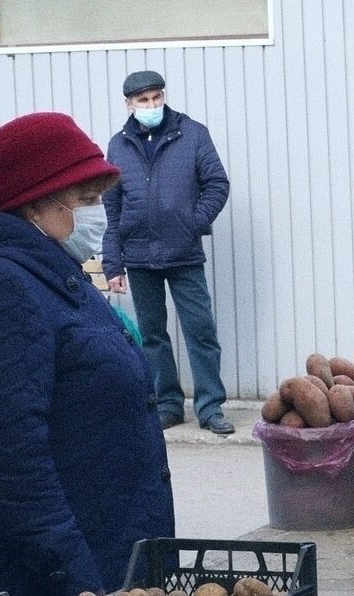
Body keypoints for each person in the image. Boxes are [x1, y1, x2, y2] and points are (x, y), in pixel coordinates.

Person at [0, 112, 176, 596]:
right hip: (61, 586)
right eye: (85, 200)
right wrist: (77, 585)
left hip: (112, 561)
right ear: (37, 201)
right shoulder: (0, 289)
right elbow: (10, 459)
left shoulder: (52, 274)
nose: (98, 215)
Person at [102, 69, 235, 434]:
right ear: (129, 104)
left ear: (164, 96)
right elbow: (111, 209)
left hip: (183, 254)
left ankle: (210, 407)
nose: (151, 105)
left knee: (200, 331)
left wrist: (192, 222)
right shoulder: (118, 145)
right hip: (139, 257)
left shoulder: (192, 134)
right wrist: (113, 263)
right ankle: (168, 404)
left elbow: (217, 184)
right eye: (143, 100)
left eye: (156, 97)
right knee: (152, 335)